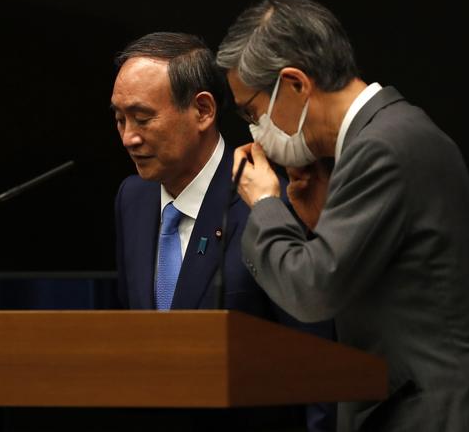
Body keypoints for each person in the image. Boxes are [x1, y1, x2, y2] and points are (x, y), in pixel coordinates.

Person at [216, 0, 469, 432]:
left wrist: (264, 202)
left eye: (253, 111)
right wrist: (317, 222)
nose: (255, 131)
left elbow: (312, 291)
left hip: (439, 416)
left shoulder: (382, 146)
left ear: (295, 84)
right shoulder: (386, 134)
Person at [112, 32, 334, 431]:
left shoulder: (270, 203)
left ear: (202, 111)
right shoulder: (133, 198)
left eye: (142, 118)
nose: (128, 137)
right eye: (119, 119)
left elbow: (319, 365)